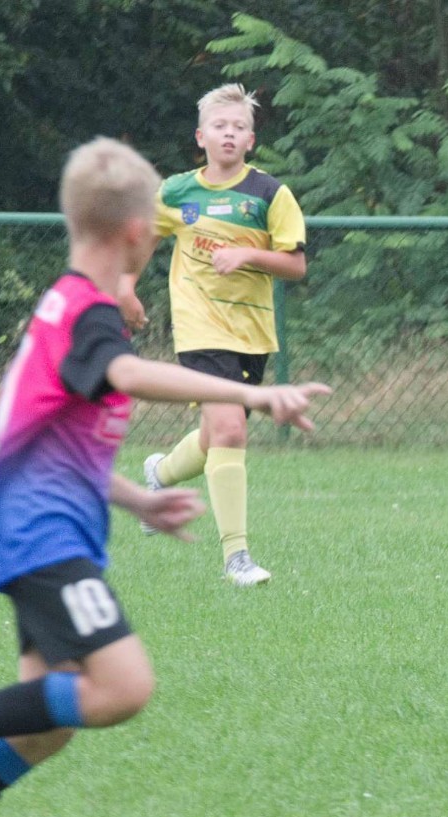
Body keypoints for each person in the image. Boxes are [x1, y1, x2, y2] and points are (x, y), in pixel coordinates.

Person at [0, 137, 329, 817]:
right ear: (141, 234)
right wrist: (251, 393)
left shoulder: (67, 304)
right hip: (39, 533)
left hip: (30, 520)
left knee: (44, 726)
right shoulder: (89, 314)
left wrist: (139, 496)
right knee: (122, 687)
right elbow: (127, 373)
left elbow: (45, 441)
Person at [118, 82, 308, 587]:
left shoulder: (270, 194)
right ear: (200, 137)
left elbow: (295, 266)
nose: (229, 134)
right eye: (219, 126)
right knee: (230, 432)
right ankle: (236, 558)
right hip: (199, 328)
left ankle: (160, 475)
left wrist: (249, 255)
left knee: (216, 435)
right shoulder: (177, 191)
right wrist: (126, 288)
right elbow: (142, 240)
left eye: (239, 127)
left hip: (253, 331)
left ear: (251, 140)